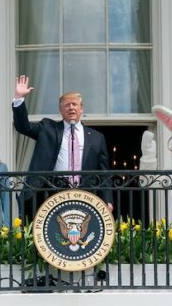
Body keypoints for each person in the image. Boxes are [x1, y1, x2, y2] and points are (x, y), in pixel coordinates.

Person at [11, 74, 112, 220]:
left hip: (85, 195)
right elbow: (23, 127)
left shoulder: (97, 137)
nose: (71, 107)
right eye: (67, 105)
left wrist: (107, 200)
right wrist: (19, 98)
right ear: (61, 110)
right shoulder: (47, 128)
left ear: (81, 109)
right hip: (51, 192)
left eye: (74, 104)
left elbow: (104, 173)